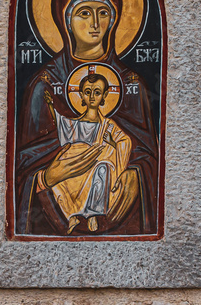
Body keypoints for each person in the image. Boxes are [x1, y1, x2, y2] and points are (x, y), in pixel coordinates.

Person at [14, 0, 159, 236]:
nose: (95, 23)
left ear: (114, 20)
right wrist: (46, 178)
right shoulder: (45, 83)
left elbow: (148, 156)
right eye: (84, 12)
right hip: (55, 204)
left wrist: (135, 179)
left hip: (117, 198)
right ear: (65, 20)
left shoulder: (132, 84)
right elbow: (23, 163)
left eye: (103, 13)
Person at [43, 74, 133, 233]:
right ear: (81, 95)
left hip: (97, 162)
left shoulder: (108, 125)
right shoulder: (75, 123)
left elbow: (124, 142)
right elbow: (61, 124)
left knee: (103, 169)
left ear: (104, 95)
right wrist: (50, 105)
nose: (92, 97)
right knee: (57, 177)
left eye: (97, 92)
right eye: (88, 92)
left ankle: (92, 213)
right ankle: (71, 215)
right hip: (76, 161)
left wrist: (111, 142)